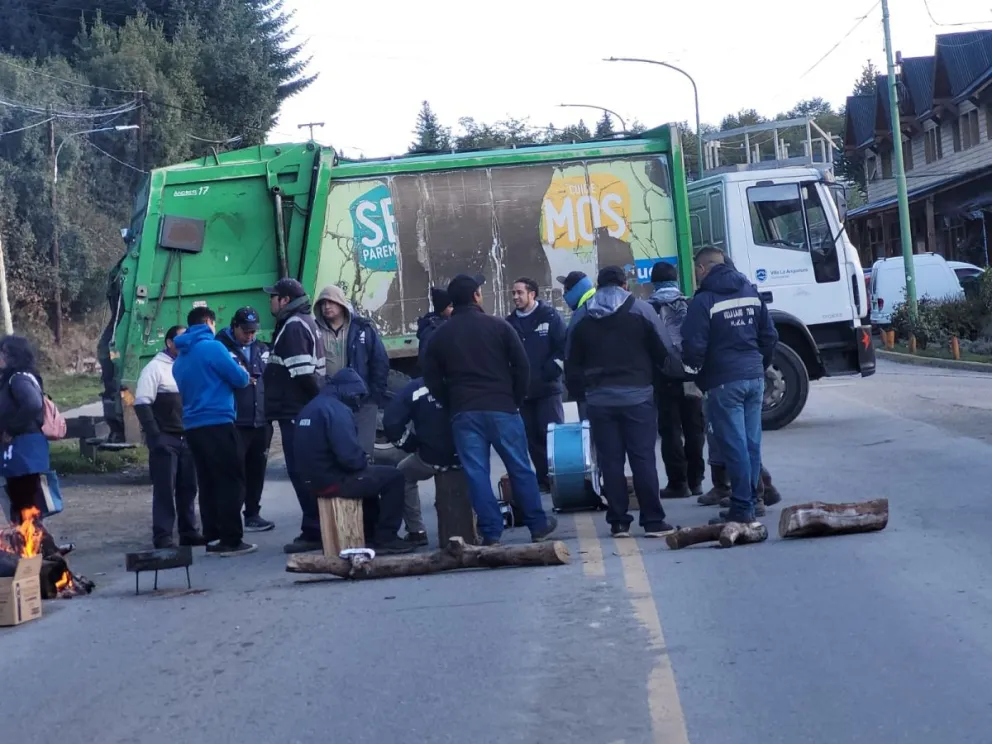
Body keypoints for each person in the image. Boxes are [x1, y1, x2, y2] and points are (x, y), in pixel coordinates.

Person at [423, 273, 557, 546]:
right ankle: (537, 525)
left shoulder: (440, 335)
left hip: (464, 412)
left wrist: (451, 403)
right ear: (476, 296)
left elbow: (431, 377)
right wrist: (516, 399)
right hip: (502, 408)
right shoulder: (498, 326)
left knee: (476, 473)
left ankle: (492, 532)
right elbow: (522, 366)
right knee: (520, 467)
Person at [566, 266, 676, 538]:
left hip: (600, 400)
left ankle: (618, 521)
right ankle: (652, 521)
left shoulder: (581, 315)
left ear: (599, 285)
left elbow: (570, 360)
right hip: (638, 396)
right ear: (624, 284)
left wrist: (582, 393)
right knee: (643, 459)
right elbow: (664, 351)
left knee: (610, 461)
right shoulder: (641, 310)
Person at [681, 247, 778, 524]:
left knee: (734, 445)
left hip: (725, 382)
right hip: (754, 378)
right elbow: (770, 336)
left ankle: (742, 507)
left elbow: (693, 345)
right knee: (751, 443)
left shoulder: (704, 300)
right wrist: (759, 365)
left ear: (701, 269)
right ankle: (754, 500)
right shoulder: (750, 292)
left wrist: (693, 375)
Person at [295, 368, 415, 555]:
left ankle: (370, 533)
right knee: (394, 477)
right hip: (332, 482)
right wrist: (363, 461)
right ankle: (387, 537)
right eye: (358, 396)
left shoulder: (311, 407)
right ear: (347, 390)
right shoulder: (337, 410)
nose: (359, 402)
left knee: (371, 478)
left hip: (312, 482)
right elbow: (349, 458)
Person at [172, 307, 255, 557]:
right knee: (231, 480)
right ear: (209, 322)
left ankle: (213, 533)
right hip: (218, 421)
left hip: (193, 427)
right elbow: (239, 379)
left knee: (207, 481)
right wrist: (242, 373)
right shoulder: (213, 347)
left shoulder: (181, 357)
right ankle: (232, 538)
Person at [262, 278, 325, 554]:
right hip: (299, 411)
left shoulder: (294, 327)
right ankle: (316, 527)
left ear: (285, 300)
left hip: (296, 412)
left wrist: (314, 407)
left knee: (301, 473)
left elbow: (303, 374)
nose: (270, 301)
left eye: (273, 297)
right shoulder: (301, 323)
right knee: (304, 472)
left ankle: (314, 530)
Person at [134, 325, 204, 549]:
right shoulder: (155, 368)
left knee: (188, 487)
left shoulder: (187, 365)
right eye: (180, 340)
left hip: (188, 437)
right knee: (165, 489)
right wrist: (155, 436)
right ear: (169, 343)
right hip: (166, 438)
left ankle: (188, 531)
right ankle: (163, 535)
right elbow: (142, 403)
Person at [647, 261, 706, 500]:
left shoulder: (649, 308)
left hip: (664, 376)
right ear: (675, 280)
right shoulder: (690, 304)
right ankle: (697, 481)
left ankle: (677, 483)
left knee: (670, 430)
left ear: (654, 282)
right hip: (691, 374)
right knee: (694, 428)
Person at [382, 375, 460, 546]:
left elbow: (391, 421)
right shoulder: (464, 378)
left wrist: (410, 444)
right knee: (479, 473)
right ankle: (488, 528)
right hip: (466, 456)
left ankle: (416, 530)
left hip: (431, 457)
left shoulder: (417, 387)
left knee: (401, 475)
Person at [217, 307, 275, 533]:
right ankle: (229, 518)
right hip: (235, 422)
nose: (250, 335)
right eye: (246, 331)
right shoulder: (222, 349)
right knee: (234, 472)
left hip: (261, 421)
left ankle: (252, 514)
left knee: (257, 470)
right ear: (234, 327)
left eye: (253, 331)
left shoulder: (262, 349)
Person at [313, 285, 389, 458]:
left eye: (331, 302)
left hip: (362, 401)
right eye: (323, 303)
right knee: (336, 452)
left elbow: (380, 361)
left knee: (362, 452)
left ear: (341, 304)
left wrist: (374, 396)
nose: (327, 306)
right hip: (330, 402)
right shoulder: (315, 330)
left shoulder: (363, 328)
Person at [506, 277, 566, 491]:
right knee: (532, 438)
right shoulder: (509, 322)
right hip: (524, 392)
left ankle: (562, 478)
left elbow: (563, 346)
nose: (515, 297)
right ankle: (544, 480)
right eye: (513, 293)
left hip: (548, 389)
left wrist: (554, 368)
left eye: (519, 292)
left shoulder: (549, 317)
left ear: (532, 294)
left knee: (553, 434)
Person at [0, 336, 50, 524]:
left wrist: (11, 429)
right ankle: (40, 546)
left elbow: (32, 404)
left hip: (23, 447)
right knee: (24, 499)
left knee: (25, 500)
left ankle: (33, 546)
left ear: (14, 355)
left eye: (3, 353)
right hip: (25, 448)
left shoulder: (18, 379)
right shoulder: (22, 376)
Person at [558, 271, 596, 420]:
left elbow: (571, 353)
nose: (564, 295)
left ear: (578, 289)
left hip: (588, 388)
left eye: (567, 290)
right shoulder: (592, 307)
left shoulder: (583, 314)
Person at [417, 287, 453, 368]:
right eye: (450, 306)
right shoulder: (433, 330)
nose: (454, 309)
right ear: (442, 309)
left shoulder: (433, 324)